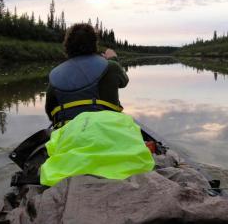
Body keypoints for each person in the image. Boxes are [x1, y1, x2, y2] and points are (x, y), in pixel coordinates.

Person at [40, 23, 154, 186]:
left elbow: (51, 112)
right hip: (109, 131)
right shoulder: (111, 66)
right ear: (94, 44)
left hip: (70, 134)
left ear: (67, 46)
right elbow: (124, 81)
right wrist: (113, 59)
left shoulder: (55, 75)